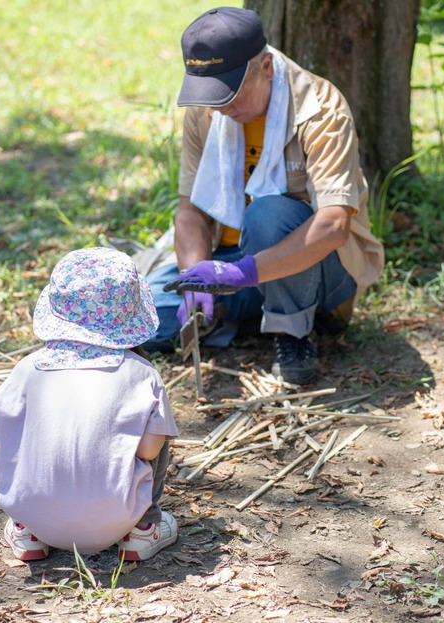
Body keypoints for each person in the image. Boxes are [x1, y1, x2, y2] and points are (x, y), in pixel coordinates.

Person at [144, 7, 385, 386]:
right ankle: (236, 313)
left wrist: (243, 273)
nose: (222, 106)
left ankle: (293, 333)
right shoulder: (206, 114)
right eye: (211, 94)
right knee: (143, 318)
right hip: (231, 265)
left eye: (231, 92)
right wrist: (195, 280)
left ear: (267, 67)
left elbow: (334, 226)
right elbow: (189, 212)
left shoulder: (321, 110)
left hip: (317, 270)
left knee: (267, 214)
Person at [0, 247, 179, 561]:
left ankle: (27, 530)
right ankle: (143, 530)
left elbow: (2, 439)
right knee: (158, 429)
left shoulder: (25, 371)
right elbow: (147, 452)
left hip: (35, 512)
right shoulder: (142, 375)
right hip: (117, 518)